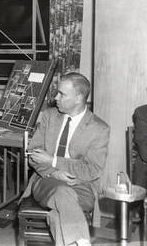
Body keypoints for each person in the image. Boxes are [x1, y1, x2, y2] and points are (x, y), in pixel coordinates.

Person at [21, 72, 110, 246]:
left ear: (78, 98)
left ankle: (74, 242)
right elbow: (34, 154)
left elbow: (91, 169)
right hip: (45, 182)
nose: (55, 97)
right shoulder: (49, 117)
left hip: (82, 186)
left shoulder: (99, 128)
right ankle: (81, 241)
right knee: (63, 193)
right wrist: (55, 173)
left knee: (58, 214)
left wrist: (53, 161)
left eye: (62, 94)